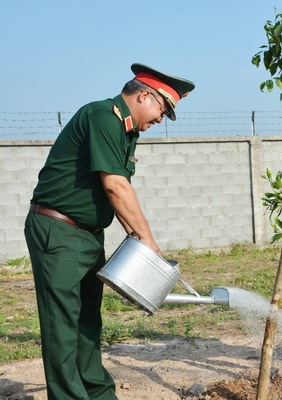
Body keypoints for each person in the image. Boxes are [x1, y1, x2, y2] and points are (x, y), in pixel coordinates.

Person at [24, 63, 195, 399]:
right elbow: (115, 185)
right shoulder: (103, 116)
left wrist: (135, 235)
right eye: (162, 110)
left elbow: (114, 192)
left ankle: (98, 392)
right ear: (144, 94)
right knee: (61, 324)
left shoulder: (126, 130)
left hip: (88, 235)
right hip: (58, 232)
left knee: (88, 321)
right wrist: (146, 240)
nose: (161, 120)